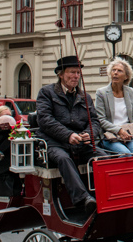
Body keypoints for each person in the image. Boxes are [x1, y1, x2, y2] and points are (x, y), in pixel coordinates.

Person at [36, 55, 104, 216]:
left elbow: (94, 120)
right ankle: (83, 199)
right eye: (72, 72)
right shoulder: (46, 92)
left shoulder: (84, 96)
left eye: (78, 73)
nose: (76, 76)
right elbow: (45, 120)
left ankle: (106, 195)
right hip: (54, 142)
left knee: (103, 157)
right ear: (61, 74)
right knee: (63, 159)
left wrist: (89, 134)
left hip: (80, 142)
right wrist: (68, 135)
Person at [95, 57, 133, 155]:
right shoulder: (101, 93)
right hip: (110, 135)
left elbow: (132, 116)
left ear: (126, 76)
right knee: (125, 154)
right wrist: (119, 130)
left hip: (129, 133)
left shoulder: (130, 92)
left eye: (119, 71)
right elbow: (101, 120)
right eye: (113, 70)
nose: (115, 73)